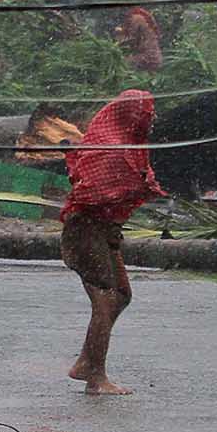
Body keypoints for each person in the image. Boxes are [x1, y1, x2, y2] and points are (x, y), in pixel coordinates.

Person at [60, 89, 162, 396]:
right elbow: (95, 192)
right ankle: (96, 375)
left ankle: (85, 361)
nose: (152, 118)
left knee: (122, 295)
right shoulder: (112, 149)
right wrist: (137, 184)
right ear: (130, 113)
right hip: (86, 229)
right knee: (104, 299)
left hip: (105, 230)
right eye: (147, 112)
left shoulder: (130, 147)